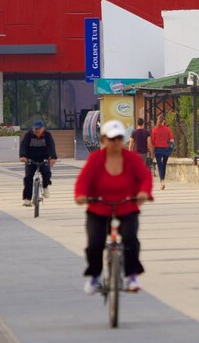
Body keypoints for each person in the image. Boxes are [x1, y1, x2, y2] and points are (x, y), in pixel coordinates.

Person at [74, 120, 152, 294]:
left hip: (127, 206)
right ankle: (94, 277)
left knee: (131, 240)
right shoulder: (96, 159)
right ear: (103, 140)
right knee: (95, 243)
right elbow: (83, 180)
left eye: (118, 138)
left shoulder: (131, 159)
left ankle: (131, 277)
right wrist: (81, 196)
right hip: (99, 208)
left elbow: (145, 177)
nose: (115, 142)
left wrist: (143, 192)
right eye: (111, 139)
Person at [19, 120, 57, 207]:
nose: (37, 132)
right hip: (31, 159)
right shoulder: (28, 135)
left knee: (47, 172)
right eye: (35, 130)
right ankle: (27, 199)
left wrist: (53, 157)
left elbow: (51, 146)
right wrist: (23, 156)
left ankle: (45, 186)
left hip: (43, 158)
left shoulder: (47, 135)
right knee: (28, 177)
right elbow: (23, 145)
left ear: (43, 129)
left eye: (39, 130)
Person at [151, 118, 175, 190]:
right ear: (163, 121)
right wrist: (170, 148)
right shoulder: (167, 129)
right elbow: (172, 140)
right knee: (164, 165)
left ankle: (162, 182)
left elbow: (152, 141)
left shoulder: (154, 130)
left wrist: (152, 151)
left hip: (158, 149)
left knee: (160, 165)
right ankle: (162, 181)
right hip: (166, 149)